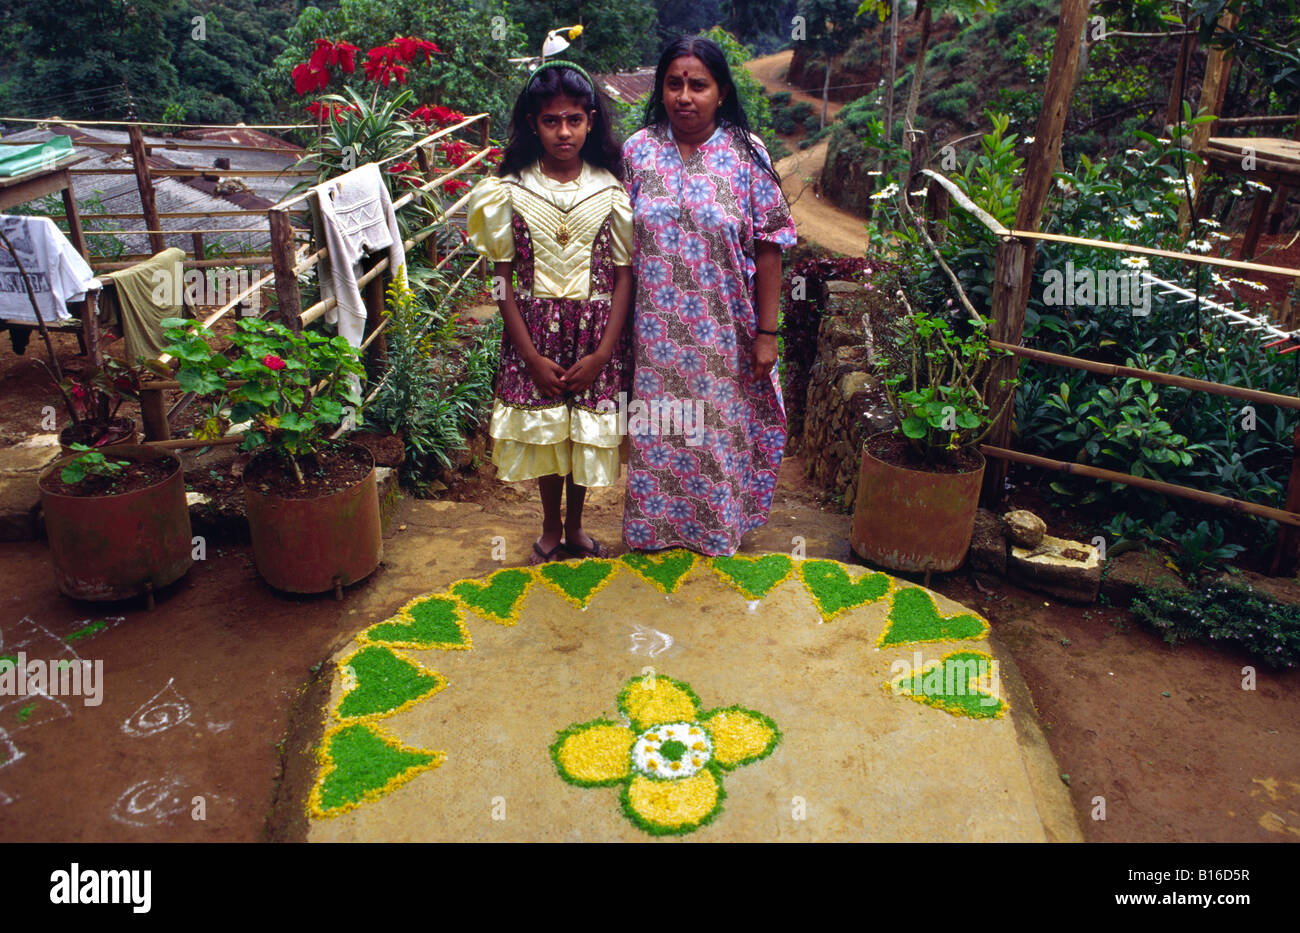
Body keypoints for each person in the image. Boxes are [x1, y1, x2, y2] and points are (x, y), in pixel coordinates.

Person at [620, 36, 798, 557]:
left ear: (720, 92)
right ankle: (654, 534)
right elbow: (616, 249)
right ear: (661, 90)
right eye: (674, 84)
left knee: (716, 438)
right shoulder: (637, 152)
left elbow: (770, 248)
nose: (685, 96)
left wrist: (767, 334)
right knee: (658, 437)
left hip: (725, 332)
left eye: (699, 84)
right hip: (653, 336)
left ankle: (715, 533)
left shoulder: (747, 153)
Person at [465, 60, 634, 564]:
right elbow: (501, 278)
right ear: (533, 125)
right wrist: (529, 355)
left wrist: (605, 352)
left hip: (595, 334)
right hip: (533, 334)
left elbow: (624, 275)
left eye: (574, 120)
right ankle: (549, 526)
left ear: (591, 121)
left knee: (581, 431)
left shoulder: (611, 188)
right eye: (551, 121)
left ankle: (577, 526)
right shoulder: (509, 190)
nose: (564, 132)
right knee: (546, 432)